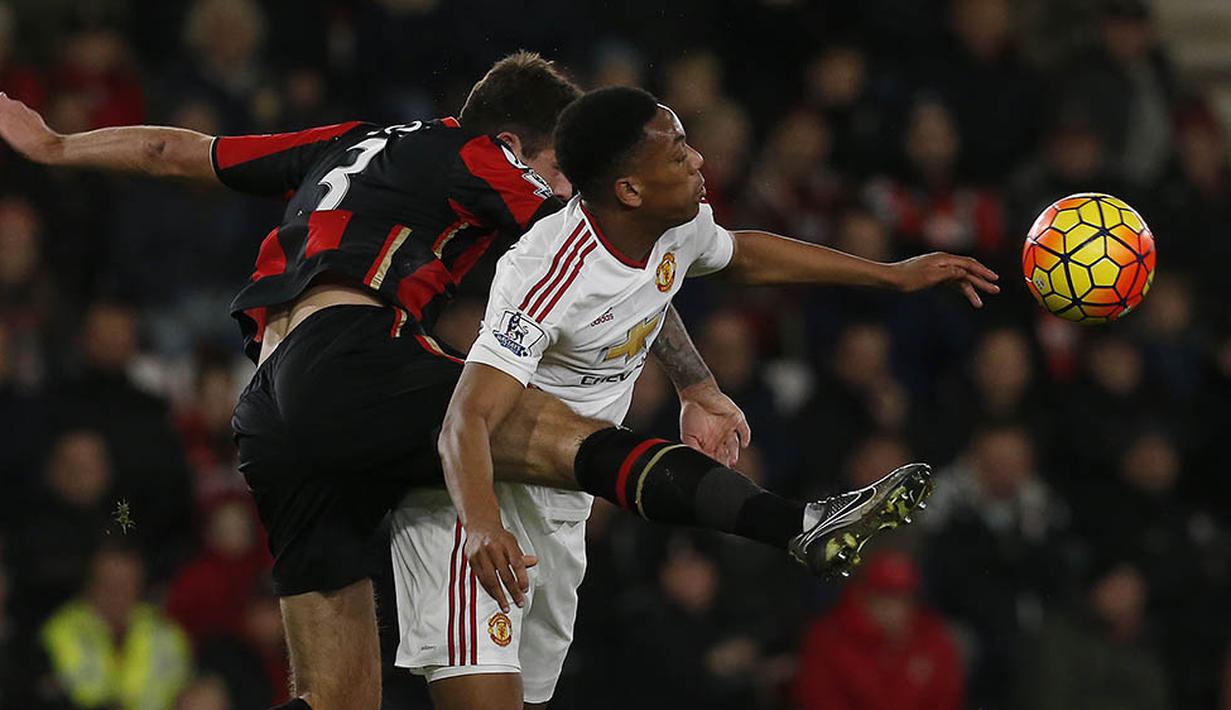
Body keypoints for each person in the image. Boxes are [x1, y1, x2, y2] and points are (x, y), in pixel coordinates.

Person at [0, 53, 748, 710]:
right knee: (559, 436)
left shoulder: (348, 141)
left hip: (265, 397)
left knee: (335, 698)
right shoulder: (488, 157)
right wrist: (694, 386)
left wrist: (55, 144)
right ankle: (787, 523)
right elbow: (606, 267)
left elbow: (175, 150)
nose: (565, 189)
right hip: (350, 356)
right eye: (560, 170)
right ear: (515, 144)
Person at [417, 86, 1000, 708]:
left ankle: (798, 523)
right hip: (481, 503)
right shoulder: (544, 274)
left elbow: (738, 254)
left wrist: (890, 275)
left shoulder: (672, 225)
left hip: (565, 509)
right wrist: (480, 526)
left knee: (531, 699)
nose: (697, 160)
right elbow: (465, 419)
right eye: (676, 155)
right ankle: (798, 522)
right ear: (629, 190)